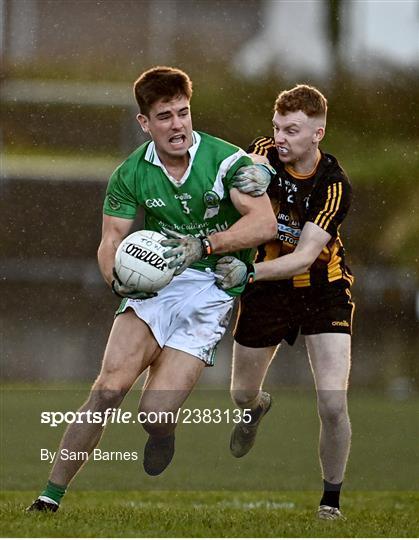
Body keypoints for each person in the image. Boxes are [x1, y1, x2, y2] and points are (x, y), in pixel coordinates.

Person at [27, 66, 277, 512]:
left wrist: (205, 244)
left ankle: (163, 432)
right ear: (145, 123)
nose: (177, 125)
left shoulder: (226, 162)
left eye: (183, 113)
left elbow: (263, 222)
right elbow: (111, 240)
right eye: (165, 116)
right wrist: (115, 277)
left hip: (211, 291)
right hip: (156, 282)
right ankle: (50, 497)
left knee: (154, 415)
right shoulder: (131, 173)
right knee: (106, 390)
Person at [215, 84, 354, 520]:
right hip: (266, 293)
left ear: (318, 132)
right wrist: (245, 183)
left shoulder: (333, 185)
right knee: (240, 394)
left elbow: (304, 258)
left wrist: (246, 271)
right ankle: (257, 409)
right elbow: (243, 173)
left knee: (332, 403)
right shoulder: (266, 151)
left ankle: (330, 504)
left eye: (292, 130)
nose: (281, 138)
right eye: (277, 127)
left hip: (321, 290)